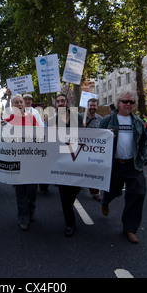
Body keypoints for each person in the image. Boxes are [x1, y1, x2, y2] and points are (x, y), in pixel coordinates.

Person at [99, 89, 147, 244]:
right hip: (114, 165)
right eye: (125, 101)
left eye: (131, 102)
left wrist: (142, 158)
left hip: (133, 165)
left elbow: (143, 143)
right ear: (118, 103)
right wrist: (107, 135)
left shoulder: (138, 122)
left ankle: (129, 228)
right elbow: (97, 141)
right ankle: (106, 200)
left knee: (138, 194)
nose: (128, 104)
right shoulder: (107, 120)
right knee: (112, 190)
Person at [49, 93, 83, 237]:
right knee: (64, 196)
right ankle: (70, 224)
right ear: (56, 105)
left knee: (74, 191)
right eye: (58, 102)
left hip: (76, 161)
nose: (60, 103)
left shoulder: (77, 117)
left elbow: (86, 136)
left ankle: (69, 209)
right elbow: (49, 142)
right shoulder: (53, 120)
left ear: (67, 103)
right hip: (61, 162)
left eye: (63, 101)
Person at [3, 94, 39, 231]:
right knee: (20, 190)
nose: (19, 104)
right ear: (12, 106)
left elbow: (40, 136)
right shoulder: (8, 120)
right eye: (16, 102)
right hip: (16, 160)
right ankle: (23, 217)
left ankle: (32, 208)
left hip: (31, 160)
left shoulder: (32, 118)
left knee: (32, 189)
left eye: (21, 102)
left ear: (24, 104)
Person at [80, 98, 103, 201]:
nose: (92, 107)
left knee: (94, 171)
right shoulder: (79, 117)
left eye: (94, 105)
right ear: (87, 106)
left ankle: (95, 192)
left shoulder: (101, 119)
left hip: (93, 151)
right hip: (79, 150)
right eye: (90, 105)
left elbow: (104, 133)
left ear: (97, 107)